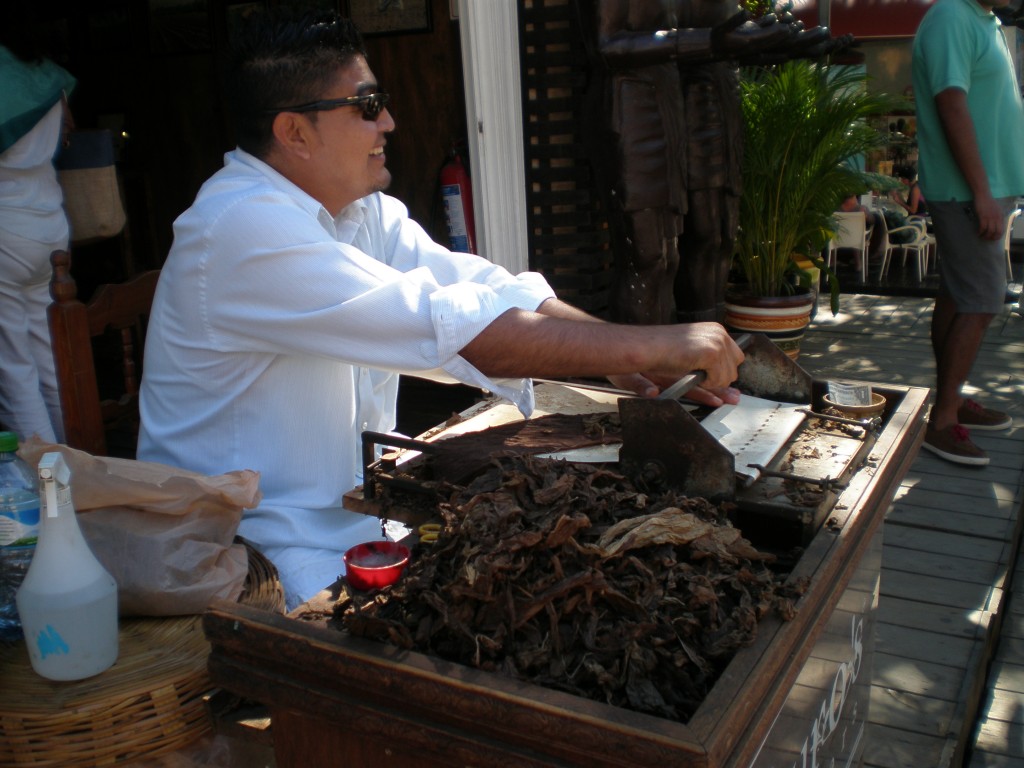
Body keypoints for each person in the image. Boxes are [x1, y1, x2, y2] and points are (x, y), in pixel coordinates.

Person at [136, 8, 746, 609]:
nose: (390, 123)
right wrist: (659, 344)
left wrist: (620, 361)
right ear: (294, 131)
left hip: (359, 523)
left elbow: (484, 289)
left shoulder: (359, 210)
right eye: (369, 106)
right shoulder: (239, 227)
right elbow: (457, 329)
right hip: (253, 552)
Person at [578, 0, 836, 325]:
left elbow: (704, 36)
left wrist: (772, 45)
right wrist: (714, 42)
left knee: (698, 245)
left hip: (671, 96)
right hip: (633, 103)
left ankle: (696, 355)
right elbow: (605, 45)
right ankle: (642, 368)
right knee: (650, 258)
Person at [912, 0, 1024, 466]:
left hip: (986, 187)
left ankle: (951, 402)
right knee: (983, 299)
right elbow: (950, 102)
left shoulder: (984, 19)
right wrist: (982, 191)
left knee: (959, 296)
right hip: (967, 190)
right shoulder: (951, 16)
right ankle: (942, 423)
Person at [0, 16, 76, 444]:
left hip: (6, 227)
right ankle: (81, 463)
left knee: (14, 367)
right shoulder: (52, 79)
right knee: (50, 358)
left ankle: (53, 483)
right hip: (50, 226)